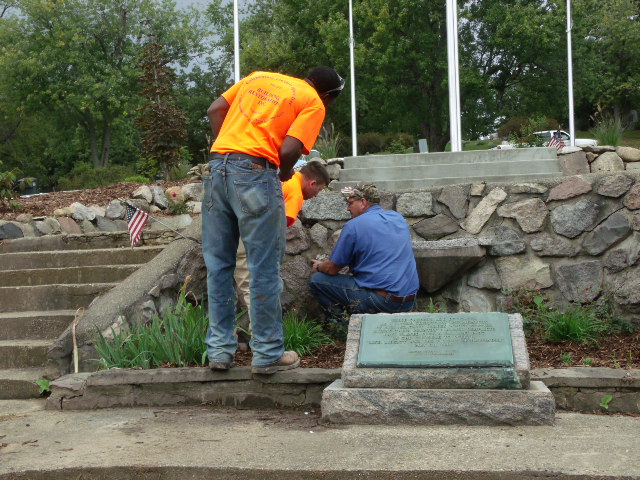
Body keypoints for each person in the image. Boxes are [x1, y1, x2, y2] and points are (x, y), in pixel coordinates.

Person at [203, 67, 344, 374]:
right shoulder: (313, 101)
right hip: (255, 174)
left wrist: (229, 152)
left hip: (216, 171)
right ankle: (267, 353)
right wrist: (282, 173)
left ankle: (219, 351)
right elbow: (290, 149)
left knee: (218, 266)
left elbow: (215, 109)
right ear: (329, 96)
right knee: (263, 266)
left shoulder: (256, 78)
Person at [234, 161, 330, 340]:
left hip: (239, 228)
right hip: (251, 238)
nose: (317, 195)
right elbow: (279, 224)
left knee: (241, 284)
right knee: (257, 287)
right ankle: (264, 341)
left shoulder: (288, 178)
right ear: (312, 183)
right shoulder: (295, 192)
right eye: (319, 189)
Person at [309, 182, 419, 323]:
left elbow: (332, 269)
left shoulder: (353, 226)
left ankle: (343, 330)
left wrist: (319, 266)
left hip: (381, 302)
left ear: (363, 202)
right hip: (409, 299)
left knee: (316, 281)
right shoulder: (398, 218)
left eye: (350, 202)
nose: (348, 208)